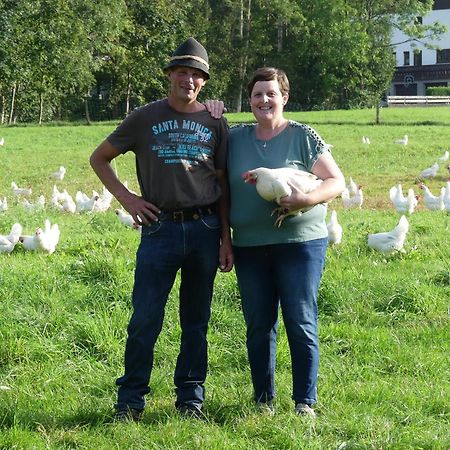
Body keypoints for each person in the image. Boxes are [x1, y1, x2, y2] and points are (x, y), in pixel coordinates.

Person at [89, 37, 233, 421]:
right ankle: (130, 401)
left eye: (196, 75)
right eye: (182, 72)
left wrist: (224, 237)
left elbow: (222, 183)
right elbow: (99, 158)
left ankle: (190, 400)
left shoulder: (216, 122)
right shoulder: (144, 117)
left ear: (204, 82)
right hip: (160, 229)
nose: (189, 80)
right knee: (145, 319)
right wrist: (129, 200)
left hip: (203, 228)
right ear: (170, 75)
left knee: (196, 321)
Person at [227, 67, 345, 417]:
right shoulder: (235, 138)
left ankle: (304, 401)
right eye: (257, 94)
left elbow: (335, 181)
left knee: (300, 318)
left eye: (271, 93)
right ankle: (264, 399)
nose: (264, 100)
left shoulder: (302, 136)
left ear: (284, 98)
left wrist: (307, 201)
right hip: (249, 244)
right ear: (249, 101)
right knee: (259, 323)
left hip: (300, 243)